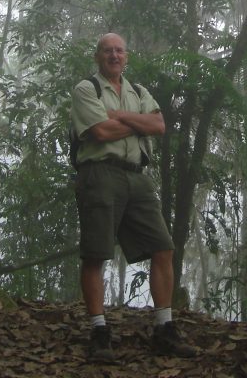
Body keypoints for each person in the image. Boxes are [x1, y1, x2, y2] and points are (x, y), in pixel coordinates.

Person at [70, 32, 198, 363]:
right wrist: (137, 123)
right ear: (97, 56)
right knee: (96, 254)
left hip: (137, 177)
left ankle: (164, 329)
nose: (114, 56)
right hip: (99, 174)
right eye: (107, 51)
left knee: (163, 248)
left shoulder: (138, 91)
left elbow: (158, 125)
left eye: (119, 51)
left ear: (126, 57)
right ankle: (99, 332)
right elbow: (99, 132)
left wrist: (118, 117)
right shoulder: (87, 89)